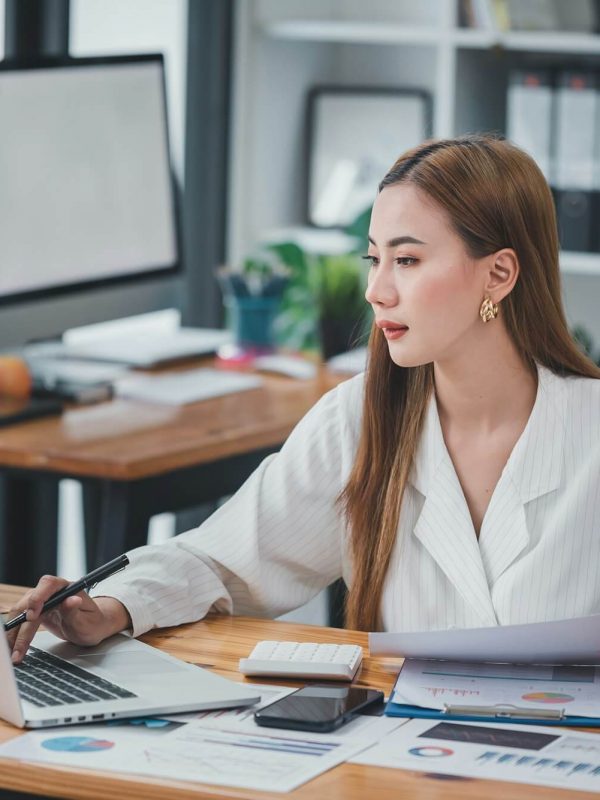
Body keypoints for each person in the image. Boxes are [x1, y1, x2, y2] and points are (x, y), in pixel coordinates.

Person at [8, 134, 600, 664]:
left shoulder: (588, 433)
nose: (376, 290)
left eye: (408, 260)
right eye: (375, 259)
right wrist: (111, 606)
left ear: (498, 274)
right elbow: (223, 559)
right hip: (406, 765)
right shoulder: (361, 419)